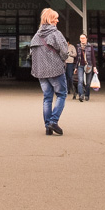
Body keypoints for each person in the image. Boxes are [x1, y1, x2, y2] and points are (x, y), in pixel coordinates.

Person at [29, 8, 68, 136]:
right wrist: (63, 59)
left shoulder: (36, 36)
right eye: (55, 18)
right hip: (55, 70)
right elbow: (64, 51)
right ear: (49, 19)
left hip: (41, 72)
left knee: (47, 98)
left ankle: (47, 126)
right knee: (62, 94)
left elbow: (31, 53)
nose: (57, 20)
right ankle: (53, 121)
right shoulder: (55, 33)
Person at [75, 33, 97, 102]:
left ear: (86, 39)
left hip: (89, 65)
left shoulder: (90, 46)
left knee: (88, 83)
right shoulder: (78, 46)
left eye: (83, 38)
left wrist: (94, 67)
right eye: (81, 38)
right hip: (80, 65)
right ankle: (81, 95)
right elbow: (77, 58)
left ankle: (87, 95)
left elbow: (93, 57)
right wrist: (75, 67)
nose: (82, 40)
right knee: (80, 81)